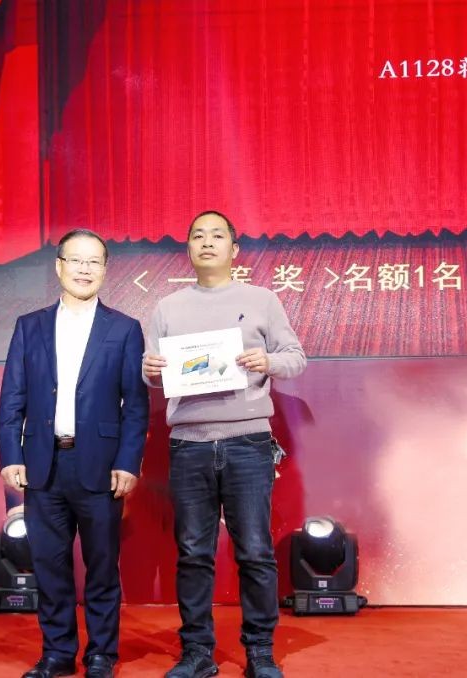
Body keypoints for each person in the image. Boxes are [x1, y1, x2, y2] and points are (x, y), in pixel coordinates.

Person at [142, 211, 307, 678]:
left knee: (254, 550)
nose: (207, 242)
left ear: (234, 250)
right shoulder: (167, 307)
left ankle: (260, 652)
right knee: (193, 553)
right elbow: (150, 370)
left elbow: (296, 358)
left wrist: (267, 361)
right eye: (198, 235)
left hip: (247, 442)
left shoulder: (262, 300)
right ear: (188, 249)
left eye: (217, 235)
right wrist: (148, 370)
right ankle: (197, 652)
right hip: (189, 444)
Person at [0, 229, 149, 678]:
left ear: (104, 270)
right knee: (49, 565)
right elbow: (12, 397)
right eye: (76, 260)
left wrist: (127, 461)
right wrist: (10, 453)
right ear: (59, 266)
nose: (84, 269)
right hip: (43, 465)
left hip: (101, 466)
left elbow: (136, 406)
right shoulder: (30, 326)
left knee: (102, 565)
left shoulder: (124, 329)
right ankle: (58, 653)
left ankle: (102, 654)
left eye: (94, 262)